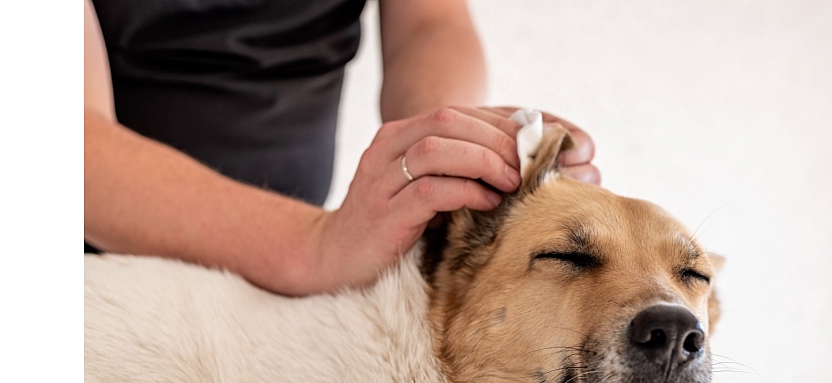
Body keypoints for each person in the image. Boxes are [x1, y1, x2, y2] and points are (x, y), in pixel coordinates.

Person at [83, 0, 599, 296]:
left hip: (280, 280)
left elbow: (430, 25)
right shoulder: (312, 251)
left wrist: (447, 154)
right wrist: (315, 246)